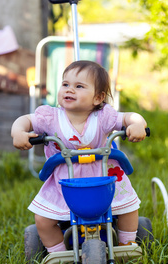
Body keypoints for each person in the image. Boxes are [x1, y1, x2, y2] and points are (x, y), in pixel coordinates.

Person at [11, 60, 147, 253]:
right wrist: (18, 131)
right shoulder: (50, 118)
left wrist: (137, 124)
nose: (70, 90)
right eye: (65, 84)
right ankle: (58, 255)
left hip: (103, 177)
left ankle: (127, 247)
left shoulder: (102, 118)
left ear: (98, 98)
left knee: (128, 207)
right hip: (65, 181)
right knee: (42, 220)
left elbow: (129, 117)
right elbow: (25, 120)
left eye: (79, 86)